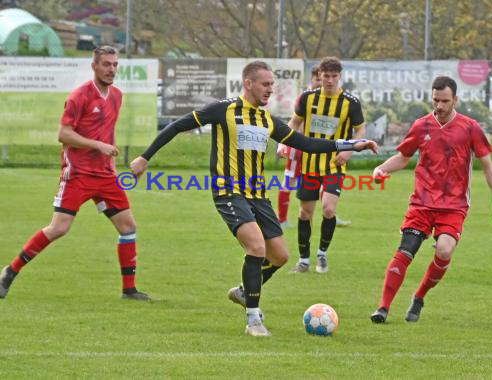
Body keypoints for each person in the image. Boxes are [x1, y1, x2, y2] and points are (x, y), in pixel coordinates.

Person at [130, 61, 377, 336]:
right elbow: (177, 126)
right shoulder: (223, 109)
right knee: (257, 248)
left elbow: (306, 143)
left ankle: (244, 291)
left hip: (258, 196)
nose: (271, 89)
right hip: (229, 192)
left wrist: (352, 144)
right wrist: (144, 157)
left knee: (281, 256)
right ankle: (253, 320)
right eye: (266, 84)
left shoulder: (266, 119)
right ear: (249, 84)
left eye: (273, 84)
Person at [0, 46, 152, 301]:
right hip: (77, 174)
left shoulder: (117, 96)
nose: (111, 69)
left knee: (128, 227)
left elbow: (106, 130)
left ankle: (129, 290)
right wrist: (97, 145)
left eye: (114, 64)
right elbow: (63, 134)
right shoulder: (80, 96)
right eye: (106, 64)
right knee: (59, 228)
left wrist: (109, 162)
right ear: (94, 66)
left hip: (104, 176)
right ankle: (12, 270)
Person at [370, 76, 492, 324]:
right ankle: (383, 308)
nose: (440, 106)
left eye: (445, 101)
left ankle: (419, 296)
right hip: (422, 203)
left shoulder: (470, 128)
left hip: (453, 206)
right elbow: (403, 157)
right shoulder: (422, 126)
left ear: (455, 99)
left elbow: (487, 165)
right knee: (405, 251)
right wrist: (382, 169)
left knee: (444, 250)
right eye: (436, 100)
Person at [285, 57, 366, 274]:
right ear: (319, 76)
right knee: (305, 213)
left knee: (329, 209)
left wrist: (349, 149)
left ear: (340, 76)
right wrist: (285, 142)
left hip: (334, 164)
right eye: (326, 76)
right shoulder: (307, 98)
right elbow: (294, 122)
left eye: (334, 76)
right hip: (310, 163)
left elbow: (360, 130)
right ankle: (303, 260)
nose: (329, 80)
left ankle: (321, 254)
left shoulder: (351, 102)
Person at [276, 66, 351, 229]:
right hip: (300, 148)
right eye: (319, 79)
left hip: (320, 149)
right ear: (314, 79)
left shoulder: (330, 99)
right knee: (289, 182)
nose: (323, 82)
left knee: (327, 179)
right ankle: (281, 219)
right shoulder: (305, 98)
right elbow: (295, 122)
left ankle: (330, 214)